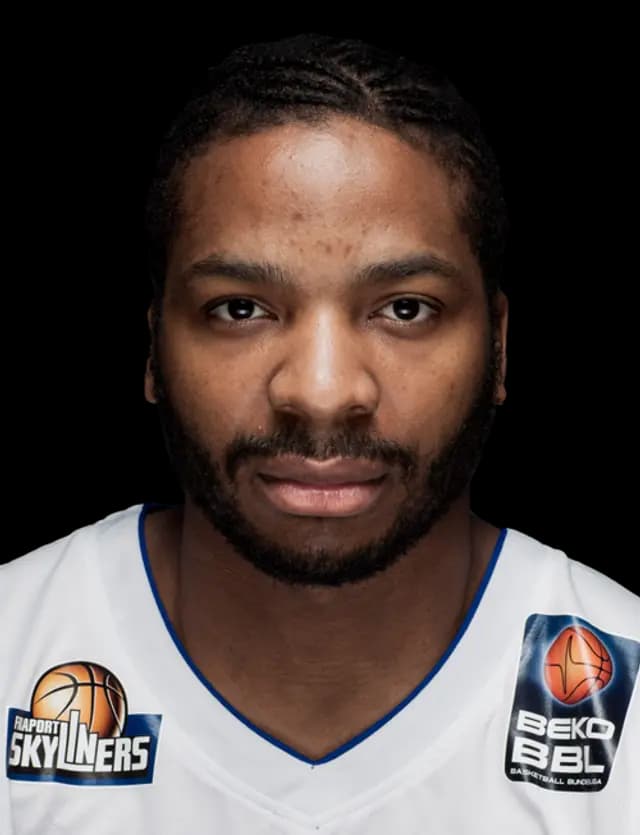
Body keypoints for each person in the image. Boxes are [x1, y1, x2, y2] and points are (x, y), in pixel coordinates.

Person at [1, 32, 638, 835]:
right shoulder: (13, 649)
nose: (323, 392)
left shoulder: (626, 698)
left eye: (405, 308)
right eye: (241, 308)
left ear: (500, 347)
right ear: (154, 346)